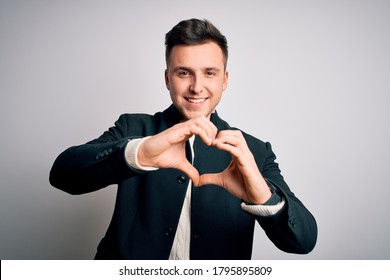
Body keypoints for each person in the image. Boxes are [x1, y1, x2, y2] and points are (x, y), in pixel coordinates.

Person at [49, 18, 317, 260]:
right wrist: (139, 153)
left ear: (224, 80)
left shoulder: (254, 151)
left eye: (209, 73)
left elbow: (303, 241)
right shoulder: (133, 127)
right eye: (184, 72)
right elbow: (62, 174)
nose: (197, 87)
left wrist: (261, 195)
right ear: (168, 78)